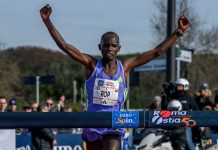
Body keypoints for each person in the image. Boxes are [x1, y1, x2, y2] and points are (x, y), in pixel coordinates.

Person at [40, 4, 190, 150]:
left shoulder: (124, 67)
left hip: (115, 121)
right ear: (100, 47)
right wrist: (47, 21)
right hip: (93, 122)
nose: (109, 49)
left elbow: (156, 52)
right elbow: (65, 46)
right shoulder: (91, 65)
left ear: (119, 48)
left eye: (113, 45)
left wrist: (178, 32)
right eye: (106, 45)